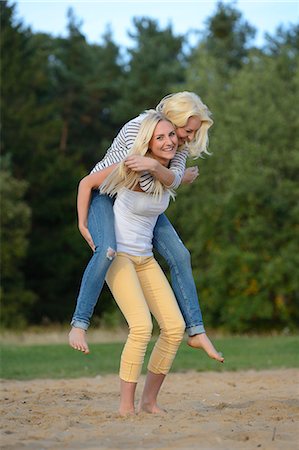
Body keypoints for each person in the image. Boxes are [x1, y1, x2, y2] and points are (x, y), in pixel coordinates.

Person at [69, 91, 224, 363]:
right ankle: (79, 323)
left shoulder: (176, 143)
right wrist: (82, 223)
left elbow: (167, 180)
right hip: (105, 190)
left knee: (180, 254)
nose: (188, 137)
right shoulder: (138, 130)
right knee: (106, 248)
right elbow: (139, 179)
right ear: (171, 120)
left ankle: (196, 330)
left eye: (191, 133)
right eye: (187, 130)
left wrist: (168, 173)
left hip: (142, 201)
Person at [78, 111, 186, 415]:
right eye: (159, 137)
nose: (167, 142)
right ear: (148, 142)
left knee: (174, 328)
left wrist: (182, 173)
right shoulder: (129, 166)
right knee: (141, 327)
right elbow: (87, 183)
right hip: (120, 257)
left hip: (145, 259)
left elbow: (179, 177)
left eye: (171, 135)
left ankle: (149, 401)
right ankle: (126, 407)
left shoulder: (169, 171)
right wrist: (83, 224)